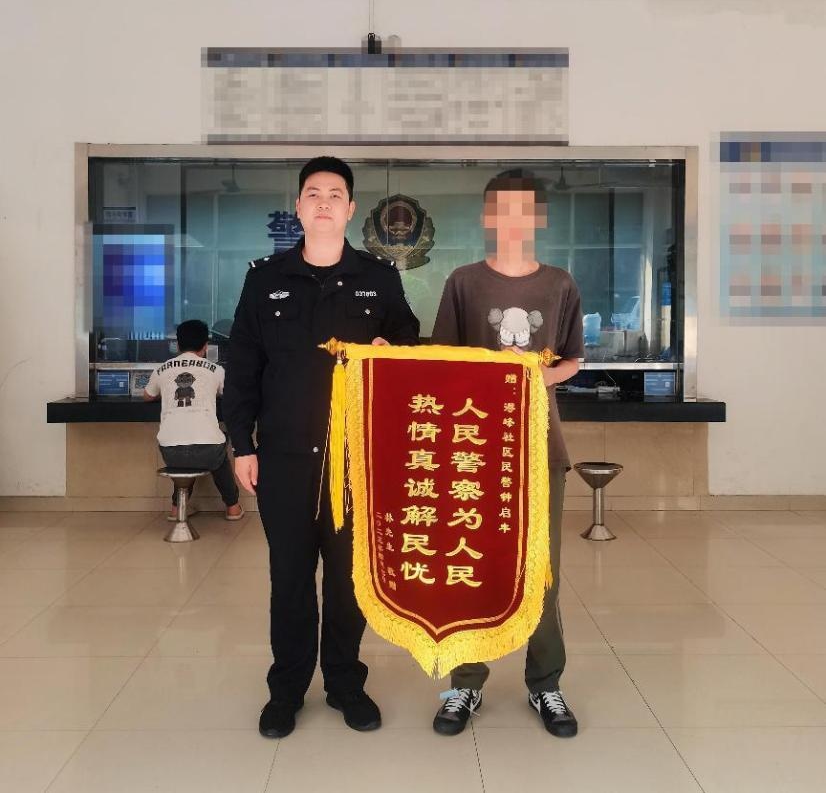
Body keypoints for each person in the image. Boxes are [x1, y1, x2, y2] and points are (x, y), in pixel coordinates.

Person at [222, 156, 420, 739]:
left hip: (354, 459)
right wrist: (242, 444)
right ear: (299, 207)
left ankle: (344, 684)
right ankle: (285, 690)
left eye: (336, 194)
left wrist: (392, 347)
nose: (325, 202)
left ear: (351, 209)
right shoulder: (265, 279)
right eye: (314, 193)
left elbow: (408, 339)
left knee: (347, 581)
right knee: (288, 579)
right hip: (283, 457)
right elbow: (243, 365)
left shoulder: (378, 278)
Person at [429, 169, 583, 738]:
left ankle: (546, 683)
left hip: (540, 448)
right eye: (503, 209)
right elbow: (442, 363)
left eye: (525, 209)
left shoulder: (559, 284)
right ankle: (466, 682)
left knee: (541, 571)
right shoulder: (464, 282)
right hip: (474, 452)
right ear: (487, 217)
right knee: (471, 566)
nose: (513, 220)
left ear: (538, 217)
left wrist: (536, 380)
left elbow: (573, 359)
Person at [143, 319, 243, 520]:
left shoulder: (162, 369)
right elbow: (231, 395)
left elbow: (147, 396)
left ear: (177, 345)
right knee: (218, 448)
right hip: (208, 451)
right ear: (205, 346)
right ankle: (233, 507)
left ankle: (176, 508)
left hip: (171, 453)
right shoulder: (216, 370)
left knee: (183, 457)